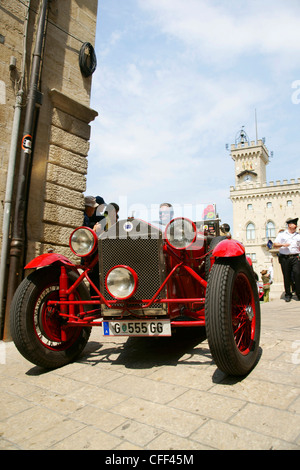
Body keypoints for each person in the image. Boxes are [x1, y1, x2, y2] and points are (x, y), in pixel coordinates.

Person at [273, 217, 300, 302]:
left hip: (295, 257)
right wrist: (282, 245)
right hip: (285, 258)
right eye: (294, 224)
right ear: (289, 225)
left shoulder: (298, 235)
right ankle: (288, 294)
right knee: (287, 276)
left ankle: (299, 293)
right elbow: (275, 244)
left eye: (296, 224)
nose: (295, 226)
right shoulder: (282, 235)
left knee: (297, 274)